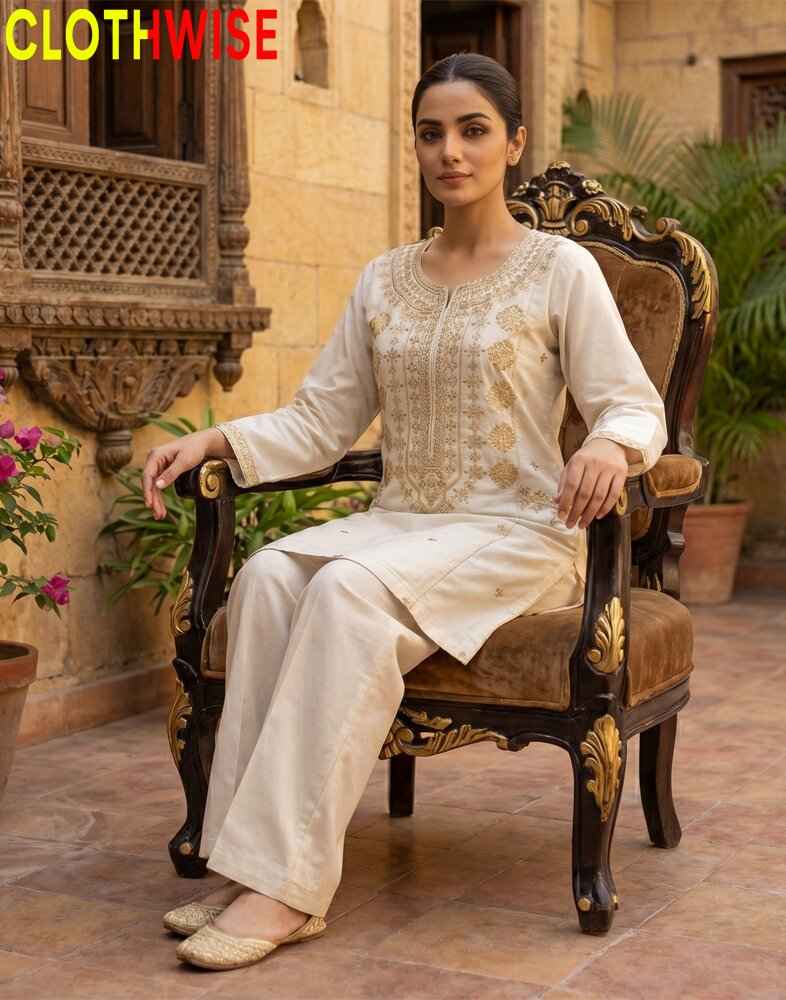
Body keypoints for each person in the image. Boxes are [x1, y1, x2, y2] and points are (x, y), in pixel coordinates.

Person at [143, 53, 668, 972]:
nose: (451, 152)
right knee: (267, 578)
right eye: (432, 133)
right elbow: (322, 418)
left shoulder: (561, 270)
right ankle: (246, 858)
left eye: (472, 131)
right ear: (416, 146)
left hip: (517, 530)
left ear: (513, 142)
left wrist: (606, 445)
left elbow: (632, 401)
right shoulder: (387, 277)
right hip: (405, 523)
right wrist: (216, 441)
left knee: (344, 592)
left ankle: (289, 888)